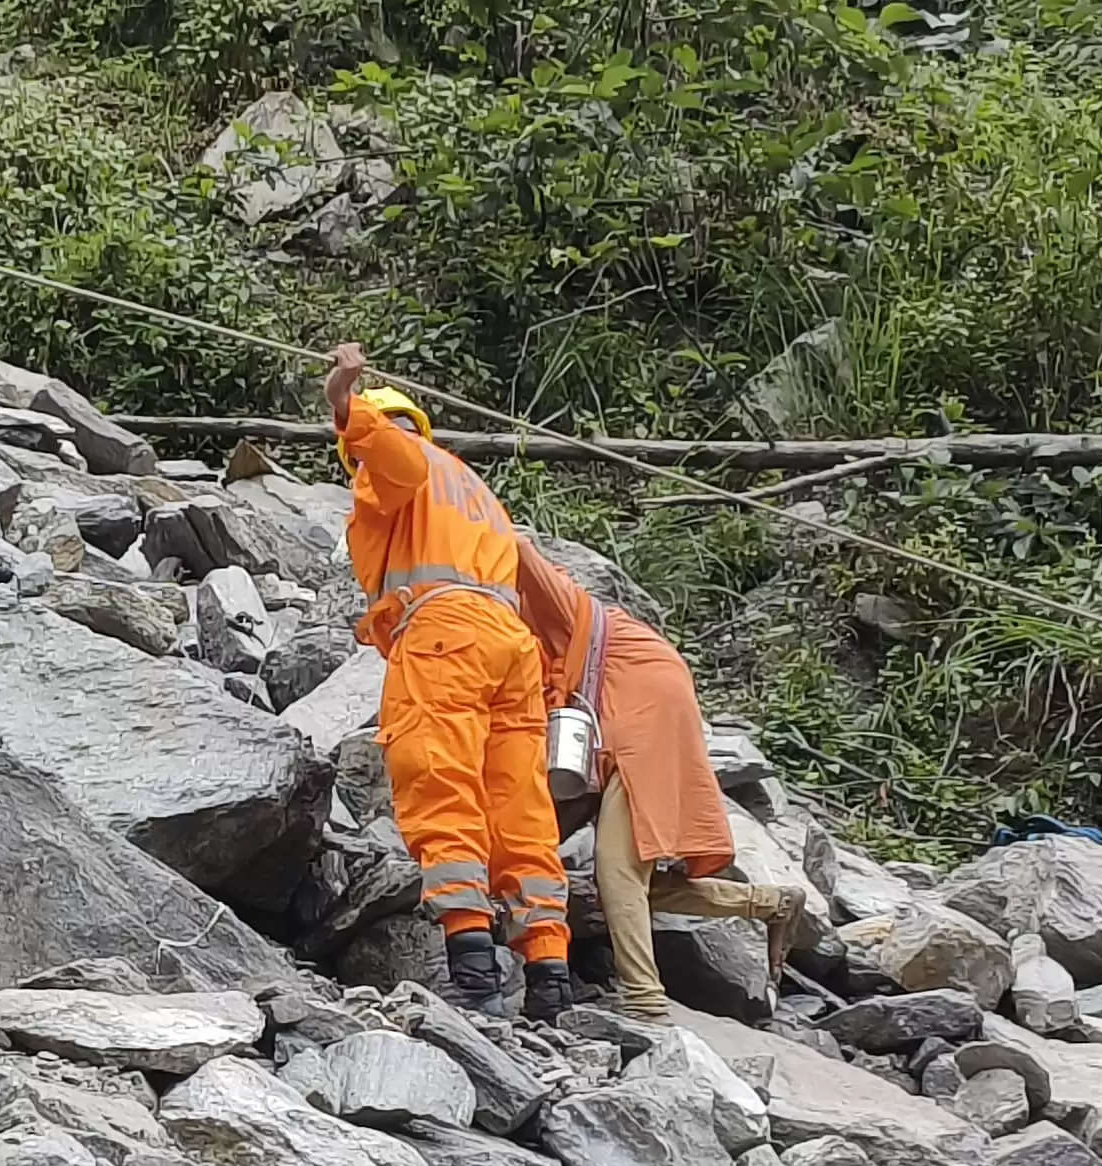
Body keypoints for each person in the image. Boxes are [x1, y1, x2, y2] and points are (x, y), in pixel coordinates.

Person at [326, 342, 574, 1015]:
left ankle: (471, 960)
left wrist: (344, 402)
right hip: (508, 645)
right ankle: (548, 964)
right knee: (519, 803)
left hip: (446, 637)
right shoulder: (469, 485)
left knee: (439, 778)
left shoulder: (401, 463)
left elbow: (394, 458)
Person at [516, 552, 804, 1018]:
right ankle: (768, 903)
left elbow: (515, 552)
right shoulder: (538, 641)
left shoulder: (558, 605)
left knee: (618, 872)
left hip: (644, 717)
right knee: (615, 879)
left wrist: (466, 521)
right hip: (619, 726)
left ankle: (644, 1002)